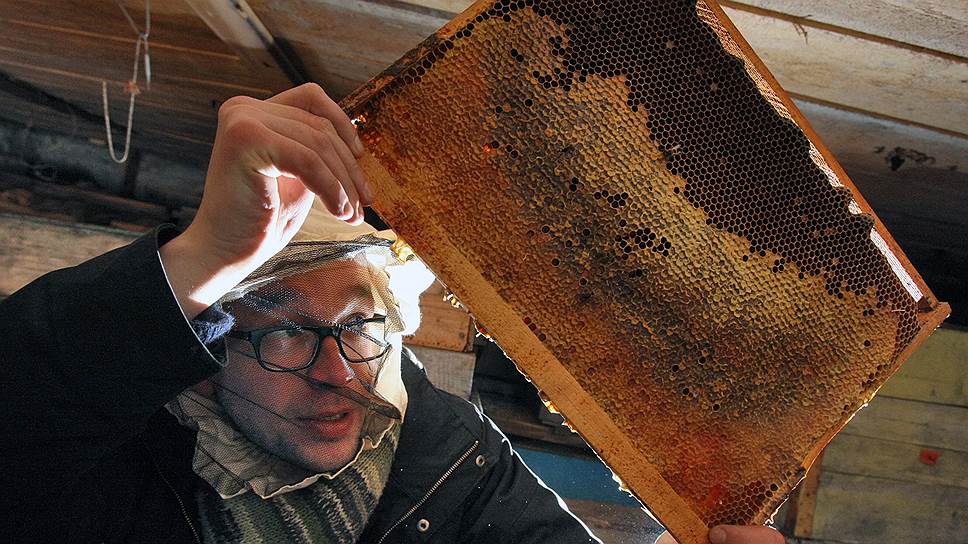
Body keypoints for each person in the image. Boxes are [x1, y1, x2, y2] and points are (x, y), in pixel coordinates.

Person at [0, 83, 784, 544]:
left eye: (358, 325)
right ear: (204, 362)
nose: (340, 373)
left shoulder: (453, 455)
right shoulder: (107, 463)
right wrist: (203, 258)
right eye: (286, 334)